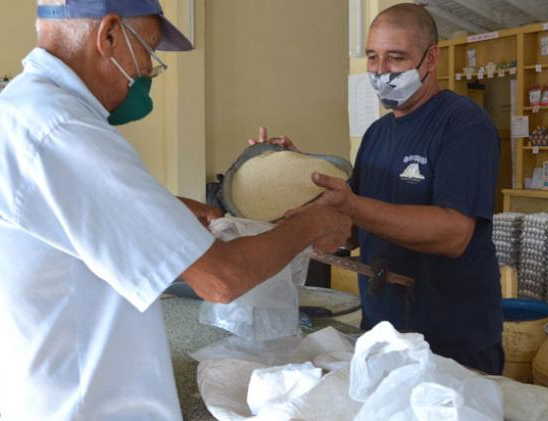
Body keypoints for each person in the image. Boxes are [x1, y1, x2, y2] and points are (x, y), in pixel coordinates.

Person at [0, 1, 350, 420]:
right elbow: (221, 279)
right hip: (86, 405)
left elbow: (68, 223)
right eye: (148, 49)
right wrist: (311, 223)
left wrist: (164, 211)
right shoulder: (63, 130)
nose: (148, 68)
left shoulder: (25, 110)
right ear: (108, 35)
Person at [253, 3, 504, 374]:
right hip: (382, 331)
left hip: (451, 340)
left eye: (396, 58)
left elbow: (454, 234)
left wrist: (353, 206)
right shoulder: (377, 134)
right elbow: (350, 229)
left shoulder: (463, 125)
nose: (381, 71)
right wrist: (293, 172)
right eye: (373, 57)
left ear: (431, 58)